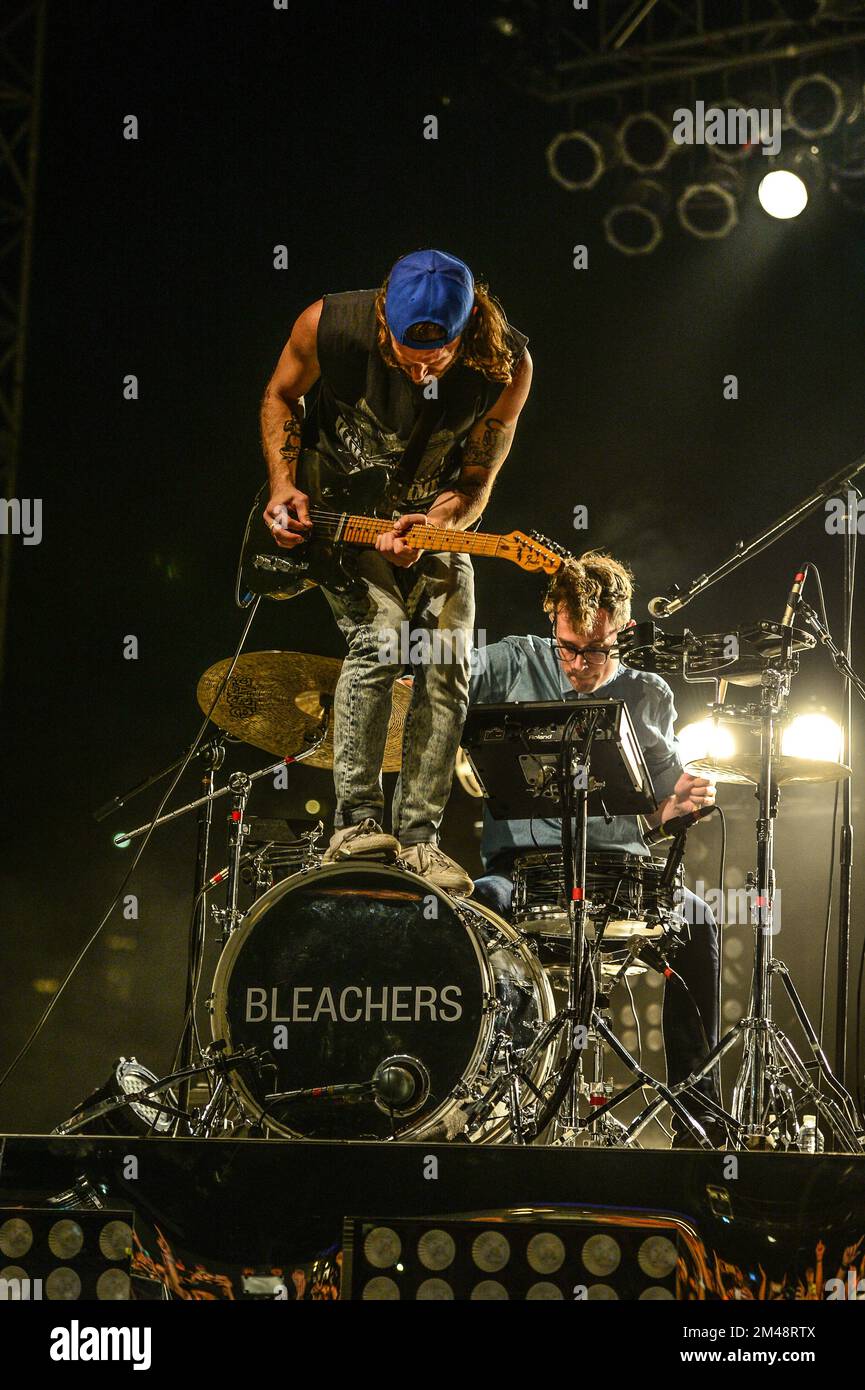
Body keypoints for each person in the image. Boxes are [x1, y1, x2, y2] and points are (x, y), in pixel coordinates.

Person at [260, 249, 532, 894]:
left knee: (448, 657)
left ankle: (418, 838)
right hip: (336, 514)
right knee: (380, 635)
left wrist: (447, 521)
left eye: (437, 354)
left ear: (470, 327)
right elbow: (280, 395)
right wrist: (282, 484)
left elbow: (477, 474)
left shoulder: (508, 365)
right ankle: (355, 823)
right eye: (408, 351)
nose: (421, 365)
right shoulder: (328, 325)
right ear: (383, 314)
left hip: (429, 522)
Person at [469, 550, 724, 1145]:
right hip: (524, 873)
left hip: (621, 878)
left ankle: (697, 1112)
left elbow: (656, 806)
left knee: (702, 920)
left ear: (623, 632)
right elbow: (444, 678)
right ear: (551, 620)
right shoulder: (512, 660)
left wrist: (677, 802)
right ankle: (489, 1102)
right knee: (473, 913)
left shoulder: (650, 692)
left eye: (597, 650)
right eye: (568, 647)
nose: (580, 664)